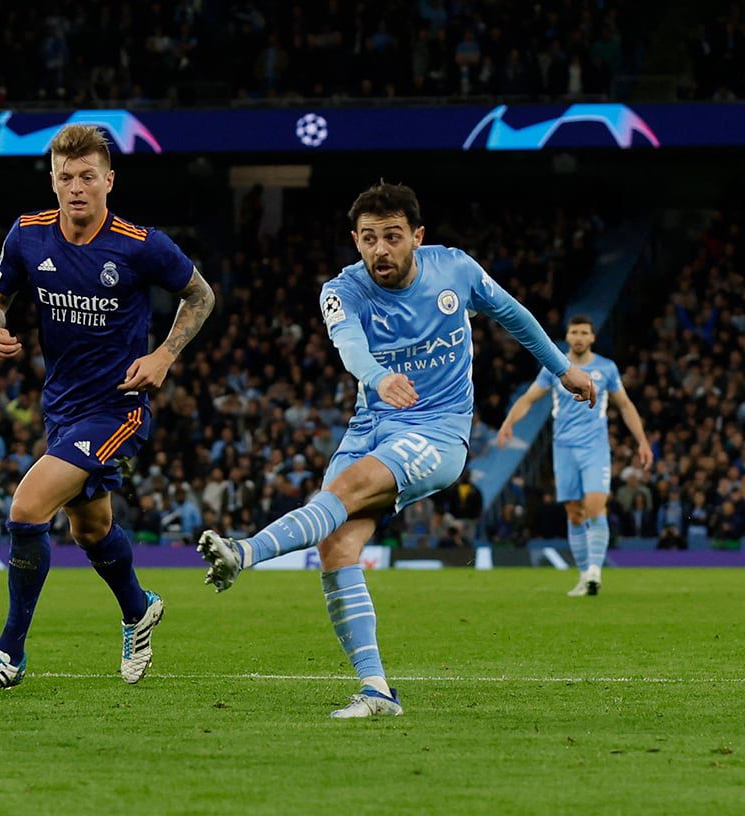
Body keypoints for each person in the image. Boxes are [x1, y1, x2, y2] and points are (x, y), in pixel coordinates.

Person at [197, 181, 595, 718]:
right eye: (368, 239)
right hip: (370, 426)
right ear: (355, 241)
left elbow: (515, 315)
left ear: (416, 236)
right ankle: (376, 690)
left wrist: (563, 367)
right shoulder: (343, 289)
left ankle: (245, 552)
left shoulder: (454, 269)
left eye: (392, 237)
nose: (380, 250)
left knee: (345, 489)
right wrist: (378, 377)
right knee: (336, 546)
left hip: (438, 431)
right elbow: (350, 345)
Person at [0, 124, 214, 695]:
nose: (76, 187)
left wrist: (165, 354)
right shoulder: (26, 236)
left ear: (108, 182)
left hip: (118, 409)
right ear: (52, 180)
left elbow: (201, 294)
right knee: (92, 529)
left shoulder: (140, 244)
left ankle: (9, 656)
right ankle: (139, 609)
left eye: (87, 177)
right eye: (65, 177)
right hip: (62, 410)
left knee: (27, 507)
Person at [497, 314, 651, 596]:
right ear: (567, 337)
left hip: (595, 448)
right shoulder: (555, 368)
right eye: (574, 332)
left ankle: (594, 571)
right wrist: (509, 422)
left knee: (595, 507)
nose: (579, 337)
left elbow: (626, 406)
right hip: (563, 448)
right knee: (574, 513)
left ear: (592, 337)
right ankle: (584, 576)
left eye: (584, 333)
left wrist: (642, 441)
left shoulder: (606, 368)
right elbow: (530, 398)